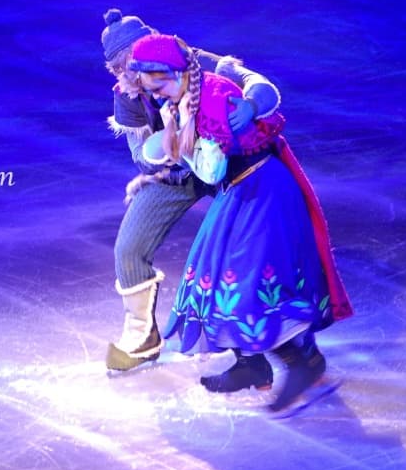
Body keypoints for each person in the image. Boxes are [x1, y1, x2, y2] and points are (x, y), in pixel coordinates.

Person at [127, 33, 354, 412]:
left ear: (178, 72)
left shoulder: (213, 100)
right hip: (241, 191)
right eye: (152, 89)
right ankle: (251, 366)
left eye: (161, 85)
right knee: (213, 277)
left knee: (250, 286)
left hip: (262, 191)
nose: (158, 95)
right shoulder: (181, 100)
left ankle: (304, 365)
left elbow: (212, 170)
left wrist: (175, 152)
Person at [100, 8, 282, 373]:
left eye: (136, 64)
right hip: (178, 172)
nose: (133, 77)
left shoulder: (195, 64)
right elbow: (143, 156)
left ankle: (257, 335)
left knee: (239, 245)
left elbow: (259, 85)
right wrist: (170, 147)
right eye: (124, 70)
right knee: (129, 247)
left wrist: (251, 105)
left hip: (230, 167)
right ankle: (141, 335)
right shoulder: (128, 95)